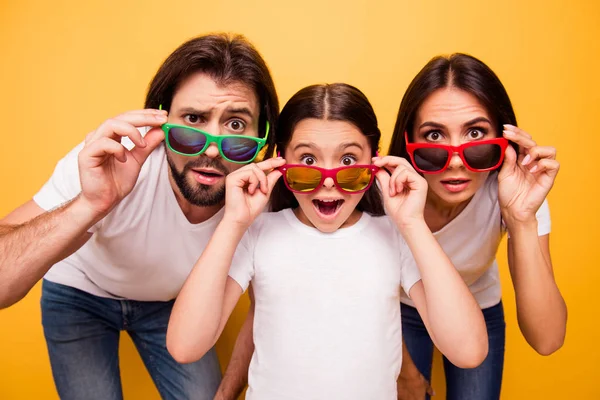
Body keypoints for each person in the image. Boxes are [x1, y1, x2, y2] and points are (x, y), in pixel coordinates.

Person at [0, 33, 279, 400]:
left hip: (169, 304)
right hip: (79, 292)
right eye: (193, 118)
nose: (212, 149)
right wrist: (91, 203)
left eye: (237, 125)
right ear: (161, 121)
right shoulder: (110, 161)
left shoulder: (259, 201)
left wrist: (225, 395)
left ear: (264, 136)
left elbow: (262, 309)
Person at [167, 83, 488, 400]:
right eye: (307, 161)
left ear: (375, 161)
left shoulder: (395, 235)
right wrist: (233, 223)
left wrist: (413, 224)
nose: (329, 181)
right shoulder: (257, 231)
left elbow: (468, 351)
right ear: (281, 161)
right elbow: (185, 345)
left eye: (348, 161)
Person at [388, 53, 567, 400]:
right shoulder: (388, 193)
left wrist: (521, 219)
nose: (455, 161)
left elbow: (547, 339)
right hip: (400, 308)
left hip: (478, 302)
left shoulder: (515, 191)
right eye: (435, 135)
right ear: (409, 141)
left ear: (503, 137)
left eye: (475, 133)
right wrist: (405, 373)